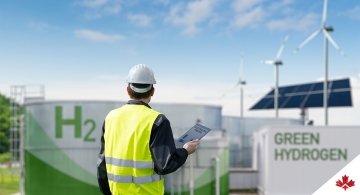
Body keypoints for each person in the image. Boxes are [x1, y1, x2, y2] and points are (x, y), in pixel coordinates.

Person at [97, 64, 200, 195]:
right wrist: (185, 151)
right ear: (152, 91)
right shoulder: (157, 120)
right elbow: (165, 165)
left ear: (127, 89)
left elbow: (102, 163)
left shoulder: (110, 117)